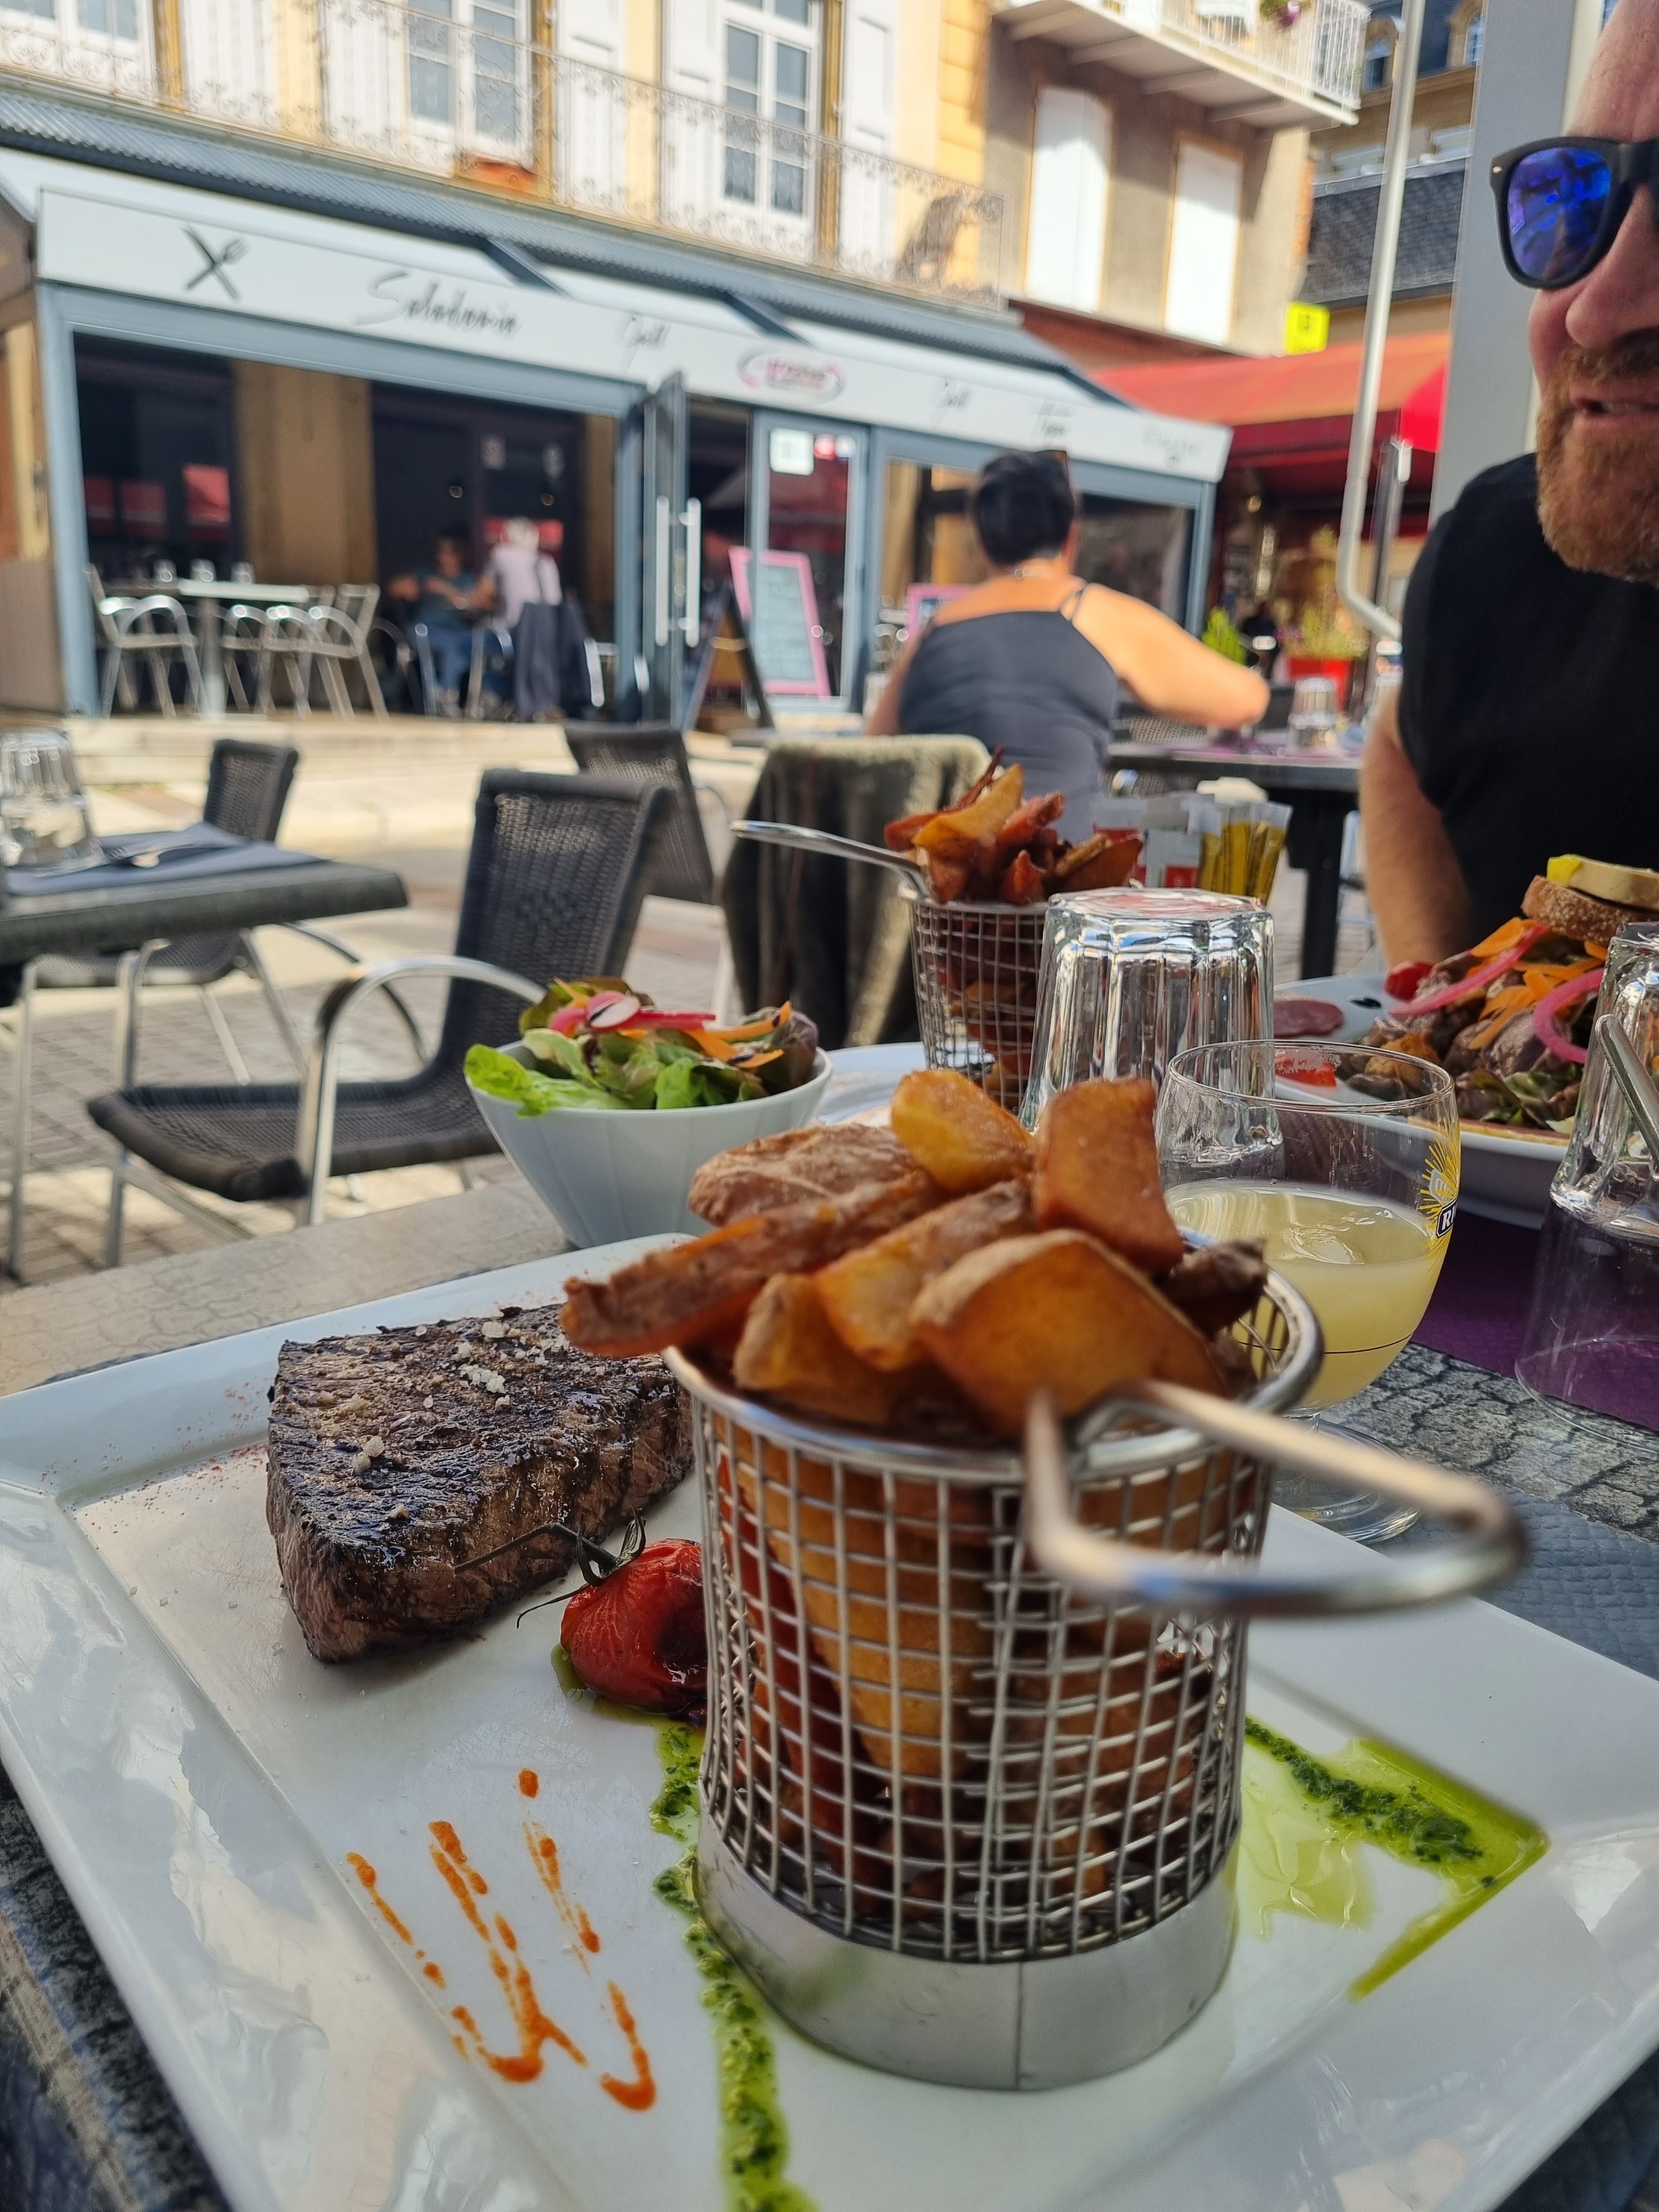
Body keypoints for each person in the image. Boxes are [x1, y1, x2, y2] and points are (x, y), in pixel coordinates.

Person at [1362, 0, 1659, 959]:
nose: (1590, 312)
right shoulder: (1493, 552)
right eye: (1573, 202)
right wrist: (1439, 997)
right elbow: (1398, 747)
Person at [865, 451, 1268, 840]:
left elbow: (873, 750)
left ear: (982, 543)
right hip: (1057, 872)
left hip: (938, 873)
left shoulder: (933, 629)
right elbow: (1247, 700)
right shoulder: (1094, 613)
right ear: (1072, 537)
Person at [388, 531, 485, 713]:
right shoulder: (427, 573)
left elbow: (475, 604)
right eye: (441, 550)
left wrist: (446, 590)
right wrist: (415, 589)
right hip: (425, 630)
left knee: (469, 645)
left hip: (455, 631)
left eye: (451, 551)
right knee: (455, 645)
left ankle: (456, 697)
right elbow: (395, 588)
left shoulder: (467, 579)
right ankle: (445, 696)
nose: (444, 556)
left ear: (461, 554)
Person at [483, 516, 562, 632]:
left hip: (511, 630)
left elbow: (482, 596)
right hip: (547, 632)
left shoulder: (500, 553)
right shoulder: (547, 561)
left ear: (507, 536)